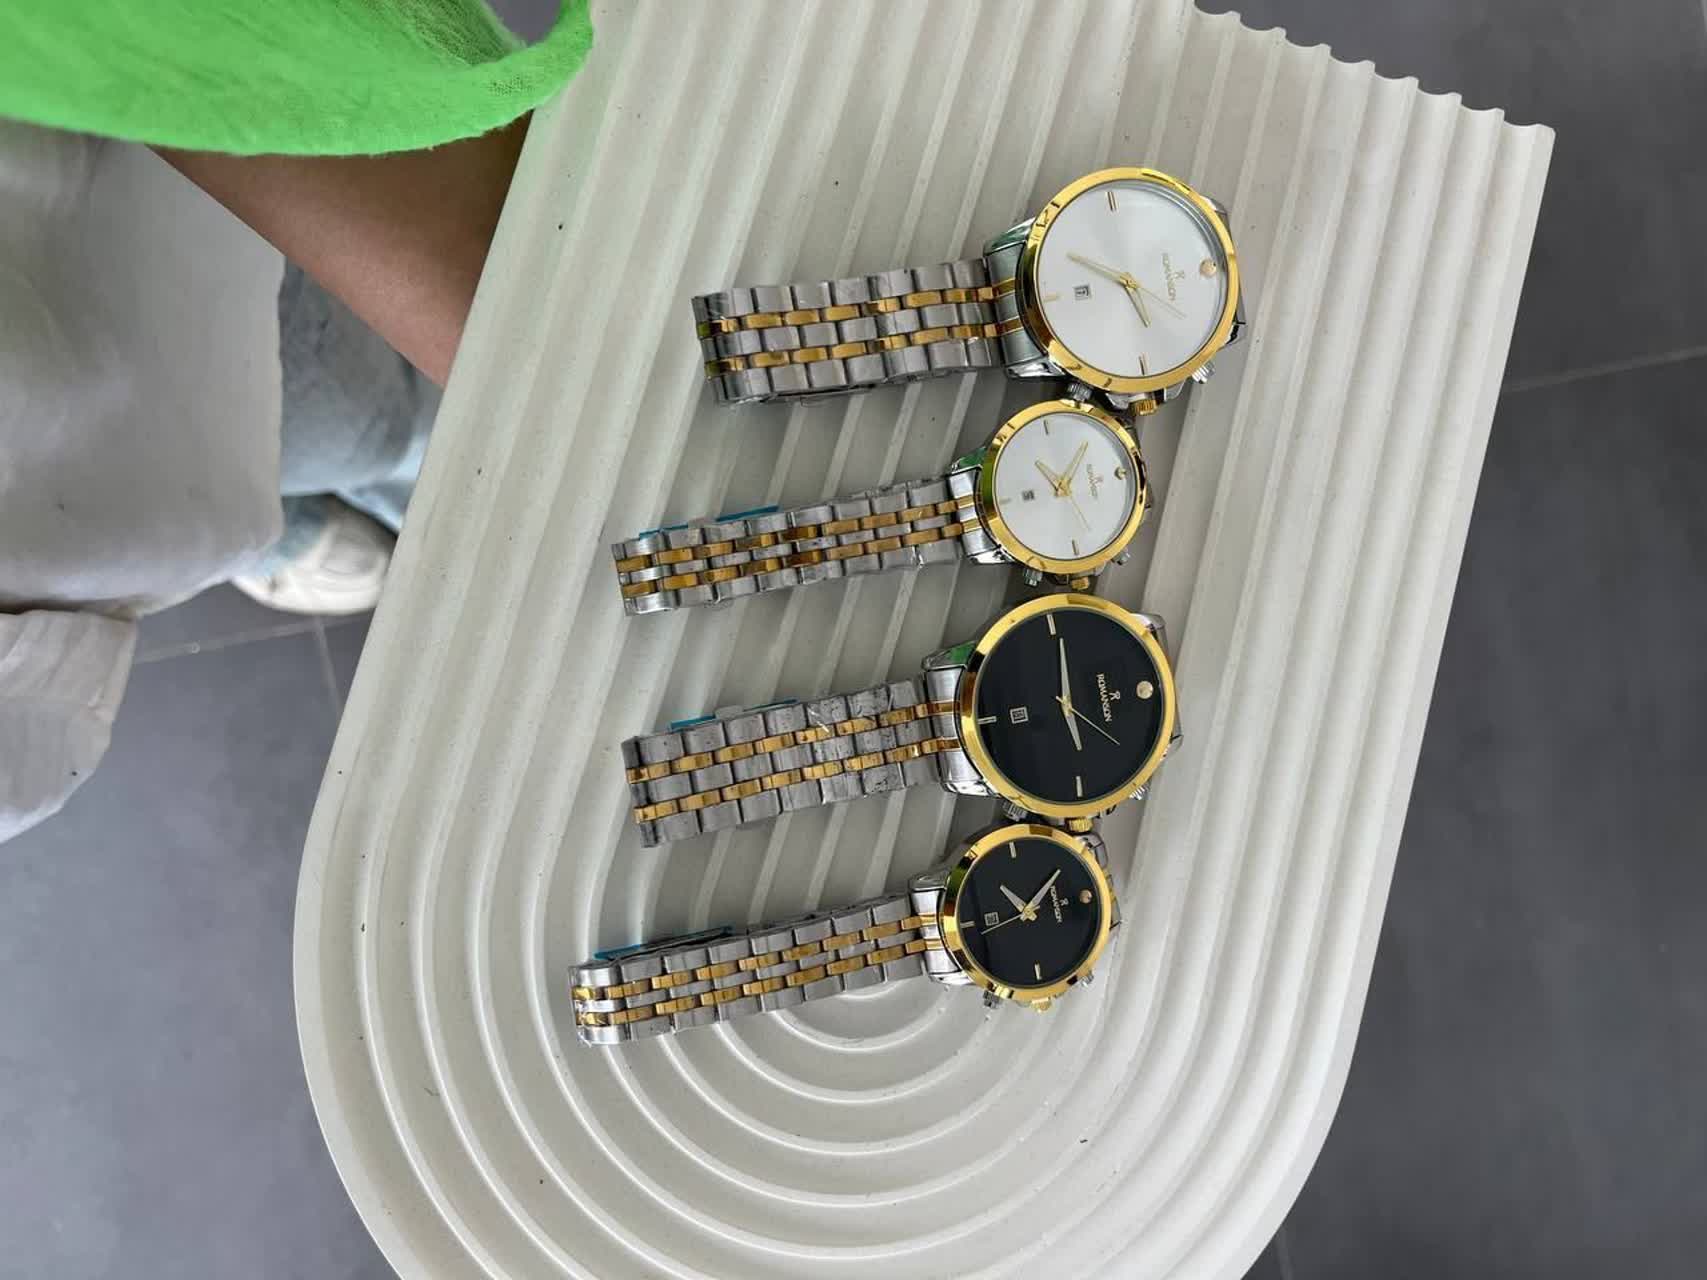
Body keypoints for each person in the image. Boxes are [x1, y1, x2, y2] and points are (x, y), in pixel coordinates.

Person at [0, 2, 590, 843]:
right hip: (125, 489)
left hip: (146, 224)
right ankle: (285, 530)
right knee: (347, 438)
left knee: (362, 418)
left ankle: (299, 515)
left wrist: (521, 326)